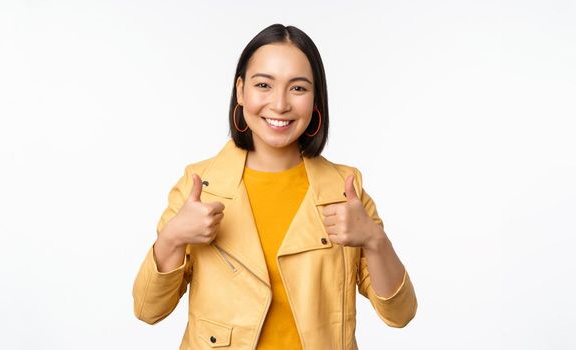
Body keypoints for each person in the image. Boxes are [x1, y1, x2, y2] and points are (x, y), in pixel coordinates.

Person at [132, 23, 417, 349]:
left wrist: (374, 239)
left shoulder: (345, 188)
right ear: (241, 91)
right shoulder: (199, 185)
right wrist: (173, 237)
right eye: (264, 85)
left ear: (315, 99)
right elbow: (147, 309)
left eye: (298, 88)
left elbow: (401, 313)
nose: (280, 104)